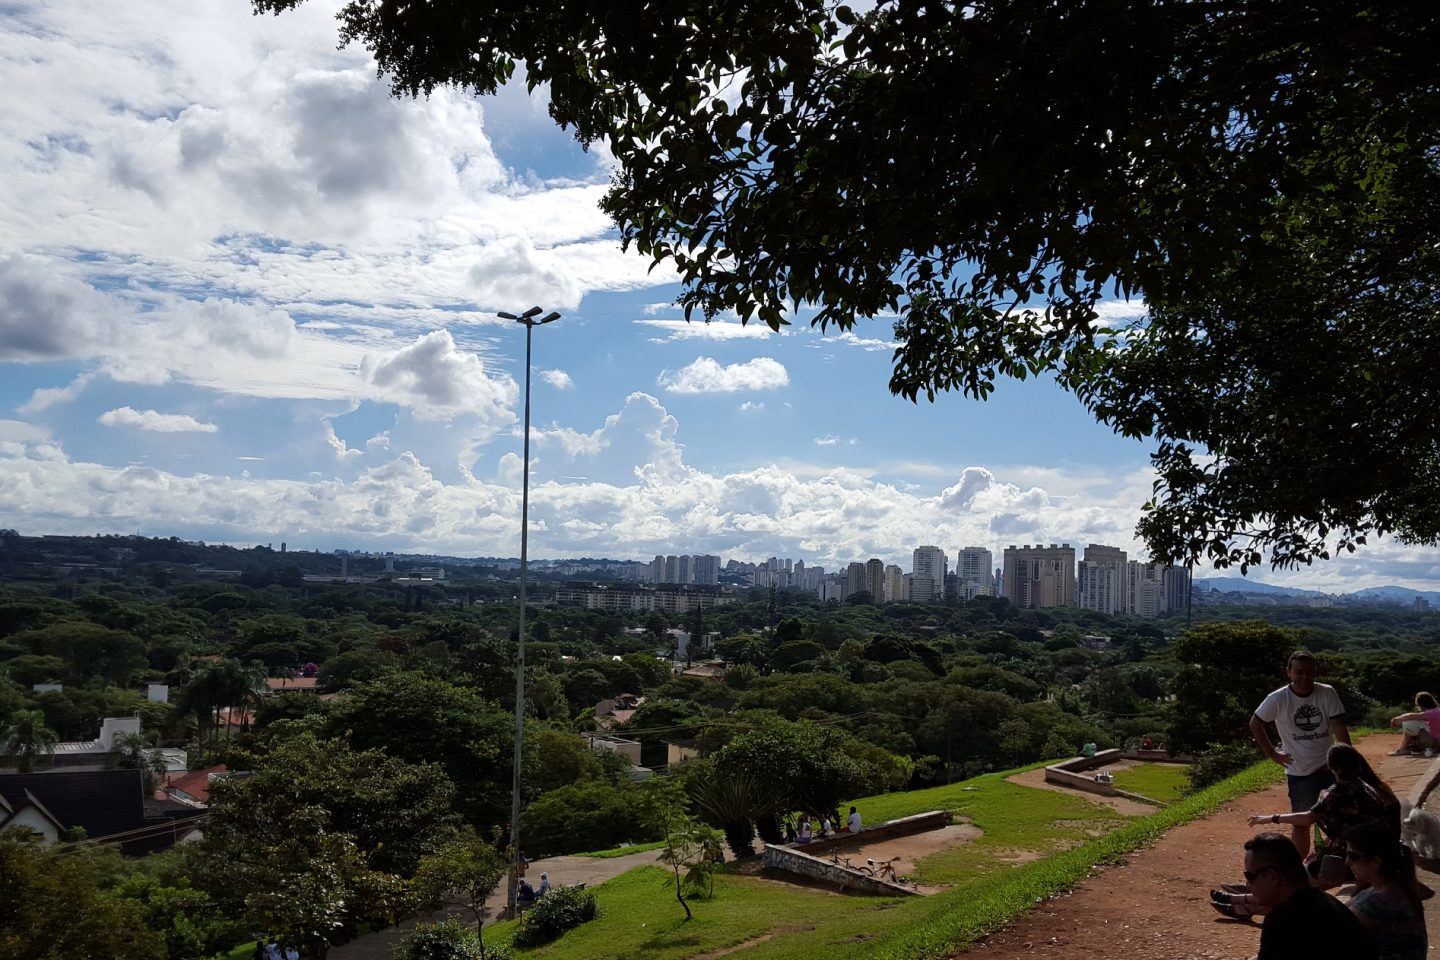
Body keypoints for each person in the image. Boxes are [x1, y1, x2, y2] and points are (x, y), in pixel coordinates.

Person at [1214, 743, 1399, 916]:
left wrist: (1272, 818)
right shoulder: (1367, 787)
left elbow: (1308, 818)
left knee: (1293, 887)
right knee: (1302, 880)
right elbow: (1347, 827)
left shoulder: (1340, 791)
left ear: (1331, 767)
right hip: (1368, 854)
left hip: (1355, 858)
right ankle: (1247, 900)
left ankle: (1245, 903)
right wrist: (1321, 850)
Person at [1249, 650, 1351, 858]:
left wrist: (1347, 760)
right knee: (1301, 821)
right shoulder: (1278, 698)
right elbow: (1255, 723)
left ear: (1316, 673)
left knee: (1344, 815)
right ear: (1289, 672)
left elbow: (1339, 726)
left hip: (1330, 765)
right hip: (1300, 770)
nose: (1304, 677)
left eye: (1309, 672)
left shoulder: (1327, 692)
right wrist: (1273, 755)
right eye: (1299, 672)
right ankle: (1300, 866)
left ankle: (1343, 858)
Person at [1240, 832, 1377, 960]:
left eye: (1250, 876)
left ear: (1272, 876)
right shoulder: (1323, 903)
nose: (1247, 883)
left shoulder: (1285, 920)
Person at [1344, 822, 1428, 960]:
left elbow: (1331, 928)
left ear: (1376, 862)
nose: (1347, 862)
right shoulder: (1388, 888)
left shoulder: (1381, 902)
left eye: (1353, 856)